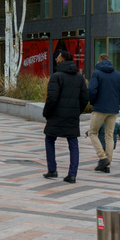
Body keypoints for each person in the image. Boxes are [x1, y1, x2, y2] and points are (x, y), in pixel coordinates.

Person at [43, 49, 89, 183]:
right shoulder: (79, 77)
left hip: (56, 115)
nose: (56, 58)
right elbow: (85, 98)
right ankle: (72, 174)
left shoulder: (56, 76)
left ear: (62, 59)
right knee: (73, 143)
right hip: (72, 116)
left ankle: (52, 170)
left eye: (58, 56)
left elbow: (52, 98)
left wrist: (46, 113)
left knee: (49, 140)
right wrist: (76, 111)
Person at [87, 53, 120, 173]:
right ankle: (107, 164)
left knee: (92, 133)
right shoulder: (118, 75)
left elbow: (91, 90)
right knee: (109, 135)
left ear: (99, 62)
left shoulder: (96, 73)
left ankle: (102, 158)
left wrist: (93, 101)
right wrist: (119, 99)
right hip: (113, 110)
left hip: (99, 109)